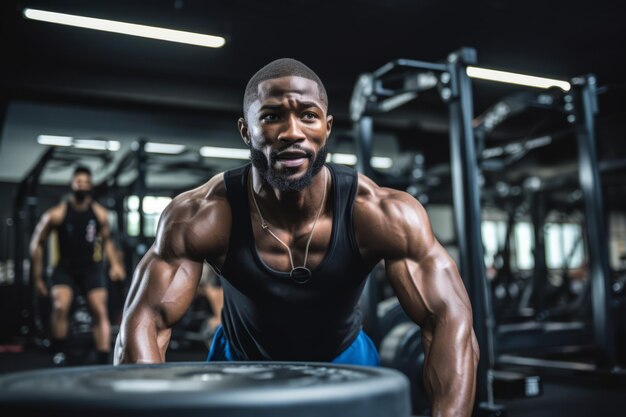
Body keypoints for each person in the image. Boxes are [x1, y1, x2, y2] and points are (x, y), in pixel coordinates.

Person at [115, 59, 479, 416]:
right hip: (239, 367)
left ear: (327, 127)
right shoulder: (201, 215)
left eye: (308, 115)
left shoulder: (382, 214)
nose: (292, 132)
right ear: (246, 131)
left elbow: (449, 322)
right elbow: (144, 325)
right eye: (272, 116)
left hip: (345, 361)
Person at [30, 166, 126, 365]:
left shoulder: (99, 214)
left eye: (85, 182)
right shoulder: (56, 214)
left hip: (92, 268)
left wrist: (115, 264)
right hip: (65, 268)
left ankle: (103, 359)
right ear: (72, 184)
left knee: (100, 310)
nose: (82, 185)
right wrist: (37, 277)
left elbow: (107, 241)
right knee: (60, 306)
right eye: (78, 181)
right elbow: (37, 243)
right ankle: (59, 353)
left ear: (90, 186)